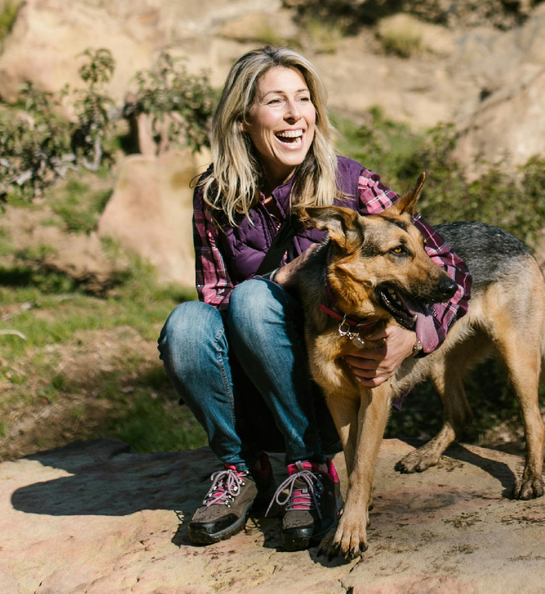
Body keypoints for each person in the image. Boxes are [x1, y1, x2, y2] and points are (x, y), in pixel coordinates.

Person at [158, 46, 471, 551]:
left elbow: (448, 268)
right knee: (188, 324)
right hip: (264, 385)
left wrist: (410, 337)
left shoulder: (352, 183)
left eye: (303, 100)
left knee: (252, 301)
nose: (294, 115)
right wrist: (276, 282)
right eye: (276, 101)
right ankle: (242, 469)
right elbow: (214, 301)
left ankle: (309, 470)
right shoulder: (214, 195)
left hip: (331, 401)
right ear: (242, 120)